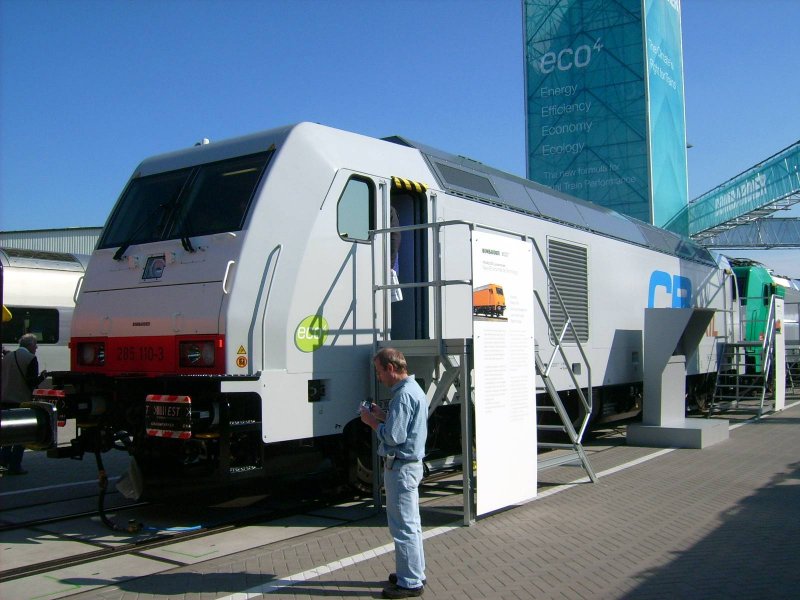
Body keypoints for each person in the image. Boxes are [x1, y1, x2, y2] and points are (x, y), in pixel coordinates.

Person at [360, 348, 428, 598]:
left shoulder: (402, 396)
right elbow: (404, 425)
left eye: (379, 371)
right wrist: (383, 415)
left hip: (400, 467)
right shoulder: (414, 390)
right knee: (413, 525)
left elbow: (394, 437)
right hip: (411, 466)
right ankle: (414, 571)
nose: (379, 377)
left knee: (403, 527)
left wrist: (372, 422)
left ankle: (409, 582)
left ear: (391, 368)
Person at [1, 333, 46, 475]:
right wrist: (42, 377)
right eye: (35, 345)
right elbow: (31, 382)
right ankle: (15, 466)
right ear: (30, 345)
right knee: (22, 433)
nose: (37, 347)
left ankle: (4, 460)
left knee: (8, 433)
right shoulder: (31, 359)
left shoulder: (7, 358)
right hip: (20, 400)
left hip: (4, 399)